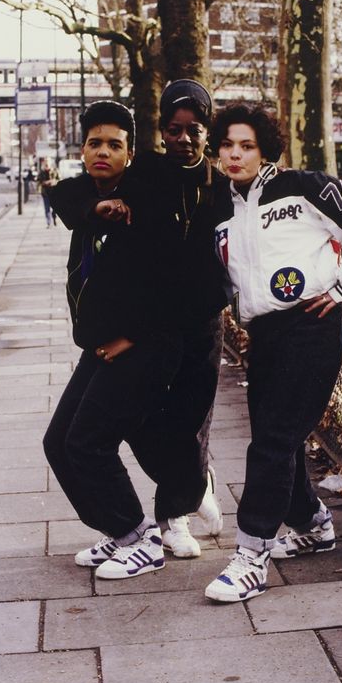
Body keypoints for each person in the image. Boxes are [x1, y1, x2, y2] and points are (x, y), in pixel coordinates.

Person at [204, 102, 342, 603]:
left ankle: (250, 556)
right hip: (264, 334)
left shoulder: (302, 187)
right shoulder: (223, 204)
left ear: (264, 148)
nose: (235, 154)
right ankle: (313, 525)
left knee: (273, 441)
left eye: (246, 145)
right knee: (274, 438)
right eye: (227, 144)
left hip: (312, 327)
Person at [75, 80, 229, 562]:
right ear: (161, 130)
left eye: (194, 130)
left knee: (188, 423)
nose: (182, 139)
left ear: (207, 132)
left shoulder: (222, 186)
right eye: (173, 129)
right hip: (156, 325)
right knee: (142, 420)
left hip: (200, 325)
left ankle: (173, 517)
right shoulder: (146, 173)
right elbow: (83, 192)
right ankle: (192, 483)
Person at [43, 100, 187, 580]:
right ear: (82, 150)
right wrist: (93, 207)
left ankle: (139, 538)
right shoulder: (88, 196)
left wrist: (131, 336)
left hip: (146, 345)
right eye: (94, 143)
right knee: (57, 442)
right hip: (104, 345)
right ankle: (115, 530)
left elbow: (174, 286)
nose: (102, 151)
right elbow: (64, 194)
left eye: (114, 144)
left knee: (88, 442)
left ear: (130, 153)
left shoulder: (144, 200)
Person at [37, 160, 59, 227]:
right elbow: (39, 182)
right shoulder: (41, 173)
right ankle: (49, 222)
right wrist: (45, 182)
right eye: (45, 164)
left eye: (48, 164)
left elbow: (59, 180)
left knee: (55, 208)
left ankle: (54, 218)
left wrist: (53, 181)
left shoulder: (55, 171)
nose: (47, 166)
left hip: (54, 193)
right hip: (45, 193)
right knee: (47, 209)